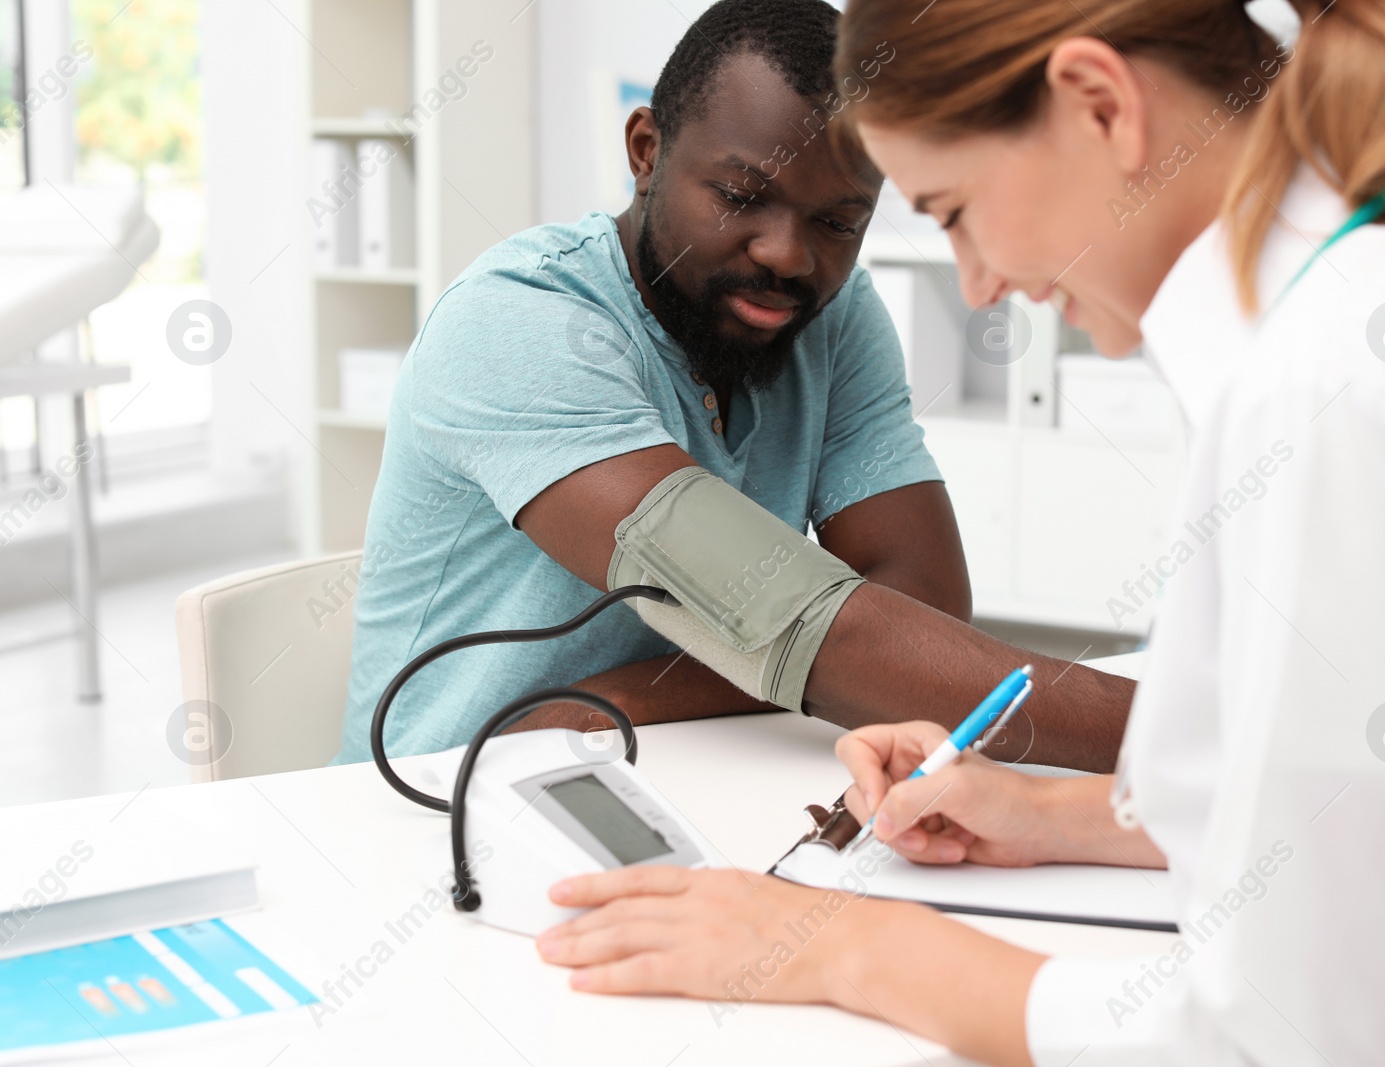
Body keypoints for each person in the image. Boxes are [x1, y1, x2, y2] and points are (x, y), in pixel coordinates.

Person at [533, 1, 1385, 1064]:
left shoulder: (1333, 388)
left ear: (1100, 105)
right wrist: (1063, 817)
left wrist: (838, 945)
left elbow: (1279, 1040)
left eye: (954, 211)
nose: (981, 284)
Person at [335, 0, 1134, 770]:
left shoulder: (834, 317)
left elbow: (919, 602)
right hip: (448, 800)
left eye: (837, 223)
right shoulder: (519, 326)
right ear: (646, 150)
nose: (787, 254)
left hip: (668, 759)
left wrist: (619, 697)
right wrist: (1172, 743)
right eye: (742, 197)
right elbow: (816, 634)